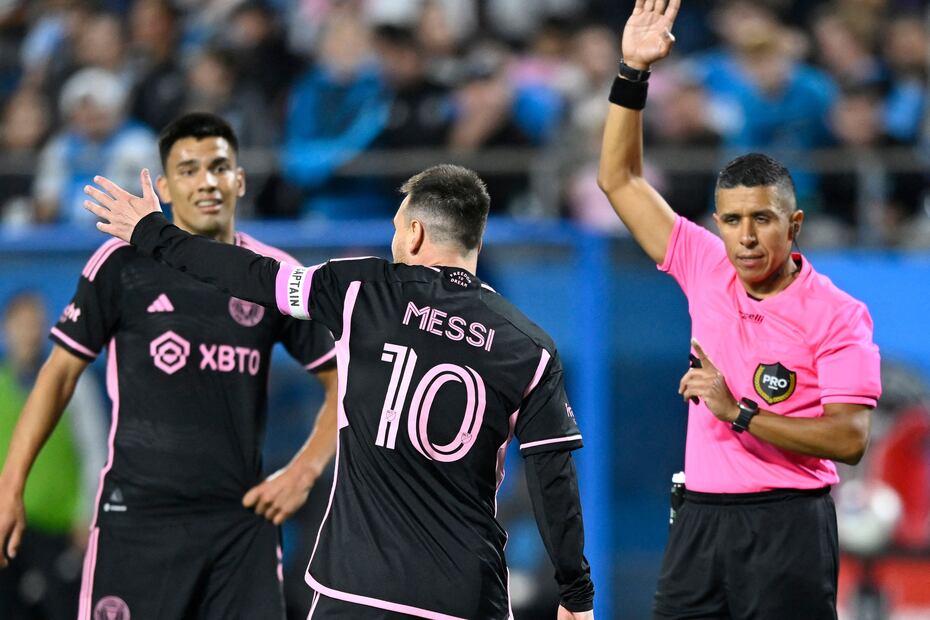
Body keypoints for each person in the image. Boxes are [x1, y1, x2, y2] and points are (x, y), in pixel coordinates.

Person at [82, 163, 595, 619]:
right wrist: (576, 593)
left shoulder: (357, 291)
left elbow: (253, 275)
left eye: (396, 228)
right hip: (464, 595)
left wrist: (156, 235)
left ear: (414, 233)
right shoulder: (530, 349)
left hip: (353, 588)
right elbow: (555, 483)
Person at [598, 2, 882, 619]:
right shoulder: (704, 264)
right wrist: (632, 72)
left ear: (794, 224)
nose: (746, 237)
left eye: (762, 219)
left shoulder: (837, 313)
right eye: (731, 220)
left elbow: (849, 438)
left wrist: (740, 413)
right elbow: (618, 180)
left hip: (789, 527)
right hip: (699, 520)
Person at [0, 112, 339, 620]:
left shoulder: (274, 276)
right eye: (188, 169)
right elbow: (59, 375)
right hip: (138, 521)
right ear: (164, 186)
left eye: (219, 166)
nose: (206, 181)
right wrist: (10, 486)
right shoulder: (121, 265)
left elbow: (348, 381)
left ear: (240, 180)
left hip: (239, 526)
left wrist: (306, 468)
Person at [0, 291, 107, 620]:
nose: (29, 331)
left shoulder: (73, 383)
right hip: (5, 528)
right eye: (22, 323)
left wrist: (85, 516)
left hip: (58, 530)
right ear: (7, 328)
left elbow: (95, 450)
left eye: (35, 322)